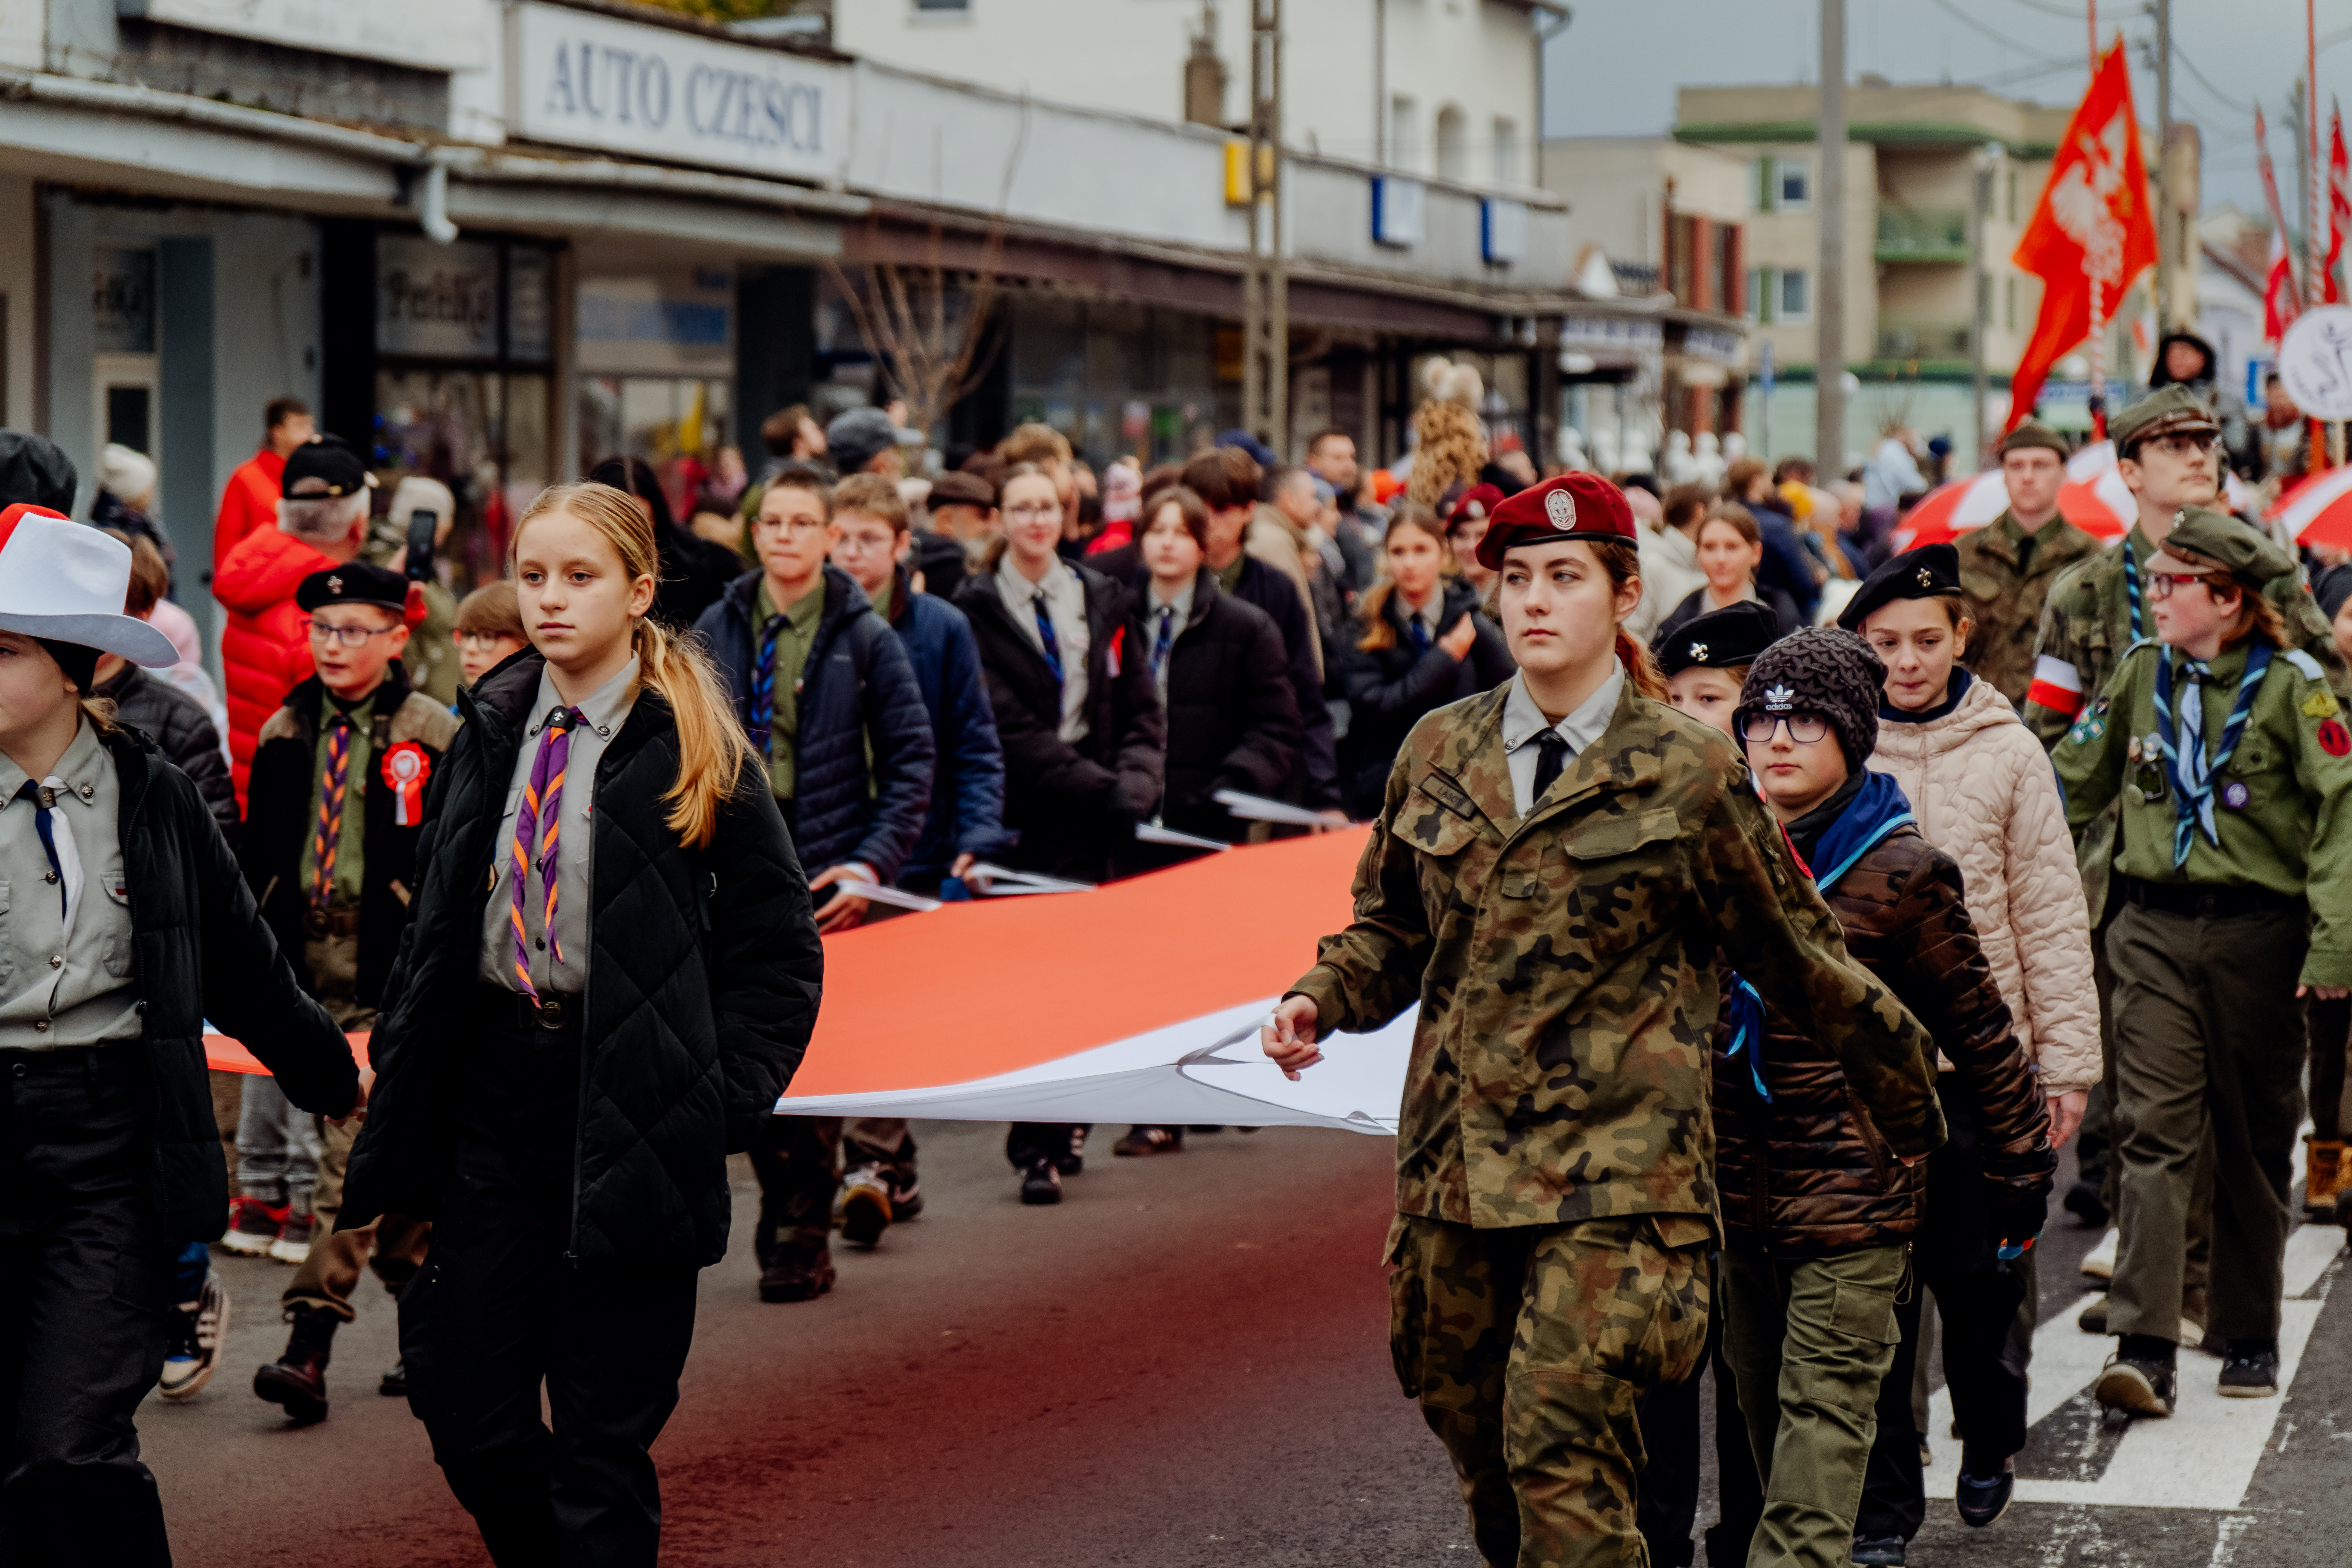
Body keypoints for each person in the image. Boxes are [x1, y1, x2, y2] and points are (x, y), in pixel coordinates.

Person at [1261, 474, 1947, 1568]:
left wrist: (1918, 1102)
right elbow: (1388, 930)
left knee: (1561, 1445)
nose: (1535, 601)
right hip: (1458, 1178)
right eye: (1518, 578)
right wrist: (1320, 997)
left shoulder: (1687, 768)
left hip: (1620, 1186)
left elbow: (1798, 951)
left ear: (1624, 596)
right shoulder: (1440, 750)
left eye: (1567, 578)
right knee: (1485, 1450)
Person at [337, 481, 821, 1567]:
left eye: (581, 577)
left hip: (636, 1106)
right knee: (468, 1408)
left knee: (604, 1439)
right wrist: (404, 1059)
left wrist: (717, 1099)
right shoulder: (494, 725)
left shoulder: (696, 746)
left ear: (640, 590)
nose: (549, 599)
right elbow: (441, 921)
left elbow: (778, 953)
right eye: (535, 574)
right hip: (496, 1094)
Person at [0, 505, 360, 1562]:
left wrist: (336, 1080)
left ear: (76, 671)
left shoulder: (153, 798)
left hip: (112, 1153)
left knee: (70, 1449)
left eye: (6, 648)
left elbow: (246, 970)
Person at [1718, 628, 2050, 1568]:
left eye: (1805, 721)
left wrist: (2019, 1172)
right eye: (1760, 721)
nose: (1776, 741)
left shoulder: (1904, 874)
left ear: (1853, 737)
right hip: (1737, 1201)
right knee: (1764, 1432)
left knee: (1824, 1444)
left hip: (1859, 1202)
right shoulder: (1716, 856)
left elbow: (1981, 1036)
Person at [2025, 385, 2347, 1276]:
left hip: (2245, 869)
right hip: (2116, 870)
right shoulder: (2084, 591)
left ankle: (2189, 1279)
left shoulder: (2264, 573)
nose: (2200, 454)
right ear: (2128, 471)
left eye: (2206, 439)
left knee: (2237, 1091)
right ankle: (2156, 1277)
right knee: (2141, 1088)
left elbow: (2330, 696)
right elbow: (2044, 736)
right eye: (2172, 443)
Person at [2054, 508, 2352, 1419]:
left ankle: (2248, 1327)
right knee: (2152, 1131)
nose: (2153, 595)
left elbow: (2341, 813)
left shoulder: (2296, 689)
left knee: (2255, 1137)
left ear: (2224, 599)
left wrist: (2334, 940)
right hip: (2149, 927)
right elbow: (2071, 779)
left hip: (2258, 935)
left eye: (2170, 583)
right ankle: (2146, 1344)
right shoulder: (2141, 675)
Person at [1840, 545, 2097, 1553]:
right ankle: (1888, 1512)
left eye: (1925, 641)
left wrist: (2065, 1067)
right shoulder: (1836, 747)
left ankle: (1990, 1435)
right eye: (1886, 643)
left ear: (1963, 637)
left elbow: (2048, 913)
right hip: (1863, 1082)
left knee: (1980, 1292)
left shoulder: (2010, 752)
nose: (1906, 662)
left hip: (1982, 1076)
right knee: (1879, 1306)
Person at [693, 466, 933, 1295]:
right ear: (754, 533)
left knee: (816, 1045)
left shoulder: (867, 636)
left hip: (824, 858)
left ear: (831, 535)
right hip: (733, 855)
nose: (784, 534)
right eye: (772, 521)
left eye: (802, 521)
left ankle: (802, 1228)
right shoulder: (719, 625)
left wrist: (872, 861)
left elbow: (911, 762)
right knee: (747, 1037)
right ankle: (785, 1201)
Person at [238, 561, 456, 1421]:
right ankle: (435, 1326)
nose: (334, 645)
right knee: (388, 1182)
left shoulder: (432, 730)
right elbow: (263, 854)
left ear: (398, 637)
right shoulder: (286, 727)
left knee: (348, 1163)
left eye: (355, 630)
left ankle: (307, 1341)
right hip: (307, 968)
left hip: (388, 973)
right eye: (322, 630)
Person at [955, 463, 1164, 1205]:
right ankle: (1034, 1143)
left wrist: (1137, 781)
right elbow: (1005, 726)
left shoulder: (1100, 597)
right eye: (1022, 508)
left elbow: (1141, 704)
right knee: (1028, 988)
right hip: (1025, 817)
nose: (1036, 520)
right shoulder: (976, 609)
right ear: (1002, 519)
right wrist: (1103, 786)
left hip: (1098, 821)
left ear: (1066, 514)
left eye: (1047, 507)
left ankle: (1065, 1121)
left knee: (1087, 981)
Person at [1645, 598, 1784, 1568]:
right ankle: (1655, 1536)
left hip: (1763, 1129)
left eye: (1714, 697)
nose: (1694, 715)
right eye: (1679, 696)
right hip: (1654, 1133)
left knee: (1749, 1355)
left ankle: (1743, 1532)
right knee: (1656, 1351)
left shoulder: (1792, 817)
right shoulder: (1634, 809)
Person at [1178, 447, 1345, 820]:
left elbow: (1305, 693)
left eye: (1220, 509)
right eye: (1197, 506)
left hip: (1254, 782)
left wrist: (1326, 796)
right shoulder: (1164, 579)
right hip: (1175, 783)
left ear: (1247, 511)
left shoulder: (1275, 587)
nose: (1207, 520)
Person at [216, 434, 378, 810]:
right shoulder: (323, 616)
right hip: (309, 821)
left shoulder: (261, 577)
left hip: (254, 800)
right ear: (357, 522)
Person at [1335, 504, 1513, 821]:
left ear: (1442, 553)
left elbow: (1510, 698)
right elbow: (1374, 706)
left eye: (1421, 550)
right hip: (1386, 792)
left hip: (1461, 794)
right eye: (1399, 552)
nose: (1410, 563)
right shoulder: (1367, 623)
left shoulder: (1469, 622)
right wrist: (1444, 658)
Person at [90, 533, 236, 843]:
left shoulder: (180, 720)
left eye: (104, 609)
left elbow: (216, 844)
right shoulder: (34, 701)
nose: (84, 623)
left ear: (141, 616)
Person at [1953, 423, 2101, 709]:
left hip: (2057, 726)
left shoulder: (2091, 558)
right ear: (2004, 476)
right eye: (2016, 466)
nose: (2028, 477)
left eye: (2041, 466)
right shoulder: (1965, 553)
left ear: (2063, 474)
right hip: (1974, 717)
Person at [587, 455, 743, 628]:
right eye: (618, 526)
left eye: (643, 523)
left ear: (656, 520)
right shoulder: (576, 582)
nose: (632, 537)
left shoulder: (711, 572)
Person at [371, 475, 464, 706]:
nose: (449, 526)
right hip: (421, 700)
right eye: (444, 518)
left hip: (439, 700)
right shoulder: (393, 566)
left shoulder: (421, 564)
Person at [1655, 504, 1803, 643]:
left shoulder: (1785, 626)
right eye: (1709, 547)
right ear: (1698, 553)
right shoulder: (1674, 630)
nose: (1721, 559)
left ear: (1756, 553)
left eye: (1732, 547)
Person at [213, 397, 316, 573]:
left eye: (310, 427)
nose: (310, 435)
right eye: (300, 427)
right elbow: (226, 548)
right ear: (277, 433)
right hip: (262, 585)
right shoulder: (246, 478)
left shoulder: (314, 479)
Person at [1726, 456, 1823, 621]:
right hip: (1776, 614)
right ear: (1756, 482)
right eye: (1768, 479)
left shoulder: (1723, 521)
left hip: (1730, 607)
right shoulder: (1777, 526)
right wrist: (1816, 581)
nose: (1772, 485)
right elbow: (1802, 581)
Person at [1626, 482, 1710, 643]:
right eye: (1717, 509)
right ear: (1701, 512)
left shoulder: (1708, 562)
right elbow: (1633, 632)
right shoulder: (1654, 563)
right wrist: (1653, 668)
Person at [92, 444, 173, 590]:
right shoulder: (113, 531)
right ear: (135, 490)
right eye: (149, 486)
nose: (151, 493)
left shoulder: (149, 525)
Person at [453, 580, 530, 689]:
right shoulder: (460, 706)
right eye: (467, 634)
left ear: (526, 643)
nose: (470, 648)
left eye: (488, 636)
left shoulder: (548, 705)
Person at [1442, 482, 1504, 602]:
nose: (1471, 546)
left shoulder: (1518, 596)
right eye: (1461, 535)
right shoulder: (1443, 597)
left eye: (1482, 535)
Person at [831, 406, 914, 484]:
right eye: (896, 452)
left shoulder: (827, 498)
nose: (901, 462)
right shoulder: (897, 497)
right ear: (881, 464)